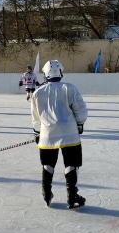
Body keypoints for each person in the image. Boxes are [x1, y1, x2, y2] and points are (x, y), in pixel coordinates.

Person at [31, 60, 88, 209]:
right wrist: (80, 123)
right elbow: (80, 109)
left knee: (48, 164)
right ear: (60, 72)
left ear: (45, 73)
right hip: (69, 132)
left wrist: (37, 132)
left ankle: (47, 193)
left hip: (47, 135)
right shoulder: (69, 88)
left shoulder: (37, 92)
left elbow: (36, 117)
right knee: (71, 163)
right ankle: (72, 195)